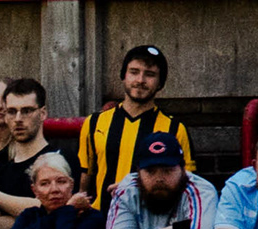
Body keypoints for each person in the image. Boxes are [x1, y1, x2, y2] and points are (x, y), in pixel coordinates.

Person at [77, 45, 195, 201]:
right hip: (102, 219)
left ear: (160, 83)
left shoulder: (175, 129)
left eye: (150, 74)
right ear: (123, 75)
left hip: (152, 219)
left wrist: (132, 187)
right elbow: (86, 179)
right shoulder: (94, 123)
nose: (140, 80)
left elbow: (188, 184)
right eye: (134, 72)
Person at [0, 78, 71, 229]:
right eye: (12, 111)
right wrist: (44, 214)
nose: (18, 119)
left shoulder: (63, 158)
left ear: (42, 114)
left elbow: (68, 211)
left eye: (26, 111)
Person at [0, 151, 106, 229]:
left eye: (61, 182)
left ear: (71, 185)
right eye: (45, 184)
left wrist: (67, 212)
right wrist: (65, 211)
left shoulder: (91, 217)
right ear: (35, 190)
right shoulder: (29, 216)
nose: (54, 189)